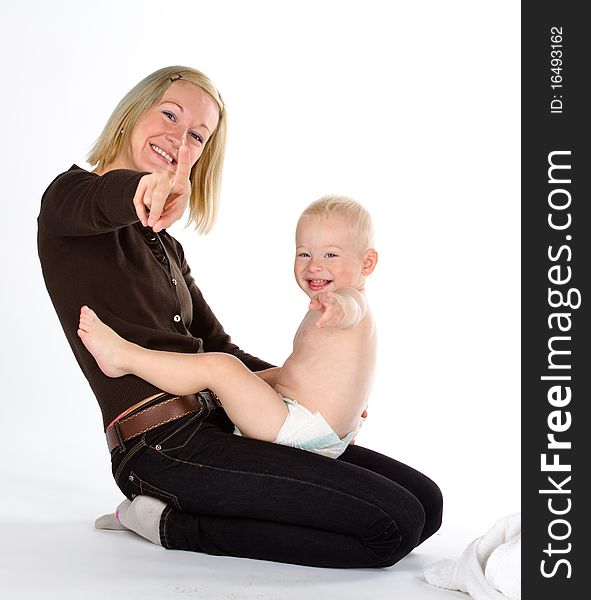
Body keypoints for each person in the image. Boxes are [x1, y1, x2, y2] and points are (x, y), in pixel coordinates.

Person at [37, 65, 442, 568]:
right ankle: (167, 523)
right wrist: (145, 188)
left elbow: (217, 350)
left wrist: (314, 399)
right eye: (169, 114)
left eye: (196, 136)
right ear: (132, 113)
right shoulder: (68, 202)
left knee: (426, 503)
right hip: (161, 447)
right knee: (391, 527)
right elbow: (105, 201)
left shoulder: (165, 246)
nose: (178, 138)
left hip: (221, 424)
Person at [78, 196, 377, 461]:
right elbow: (299, 374)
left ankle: (122, 357)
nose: (313, 265)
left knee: (221, 367)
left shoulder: (349, 302)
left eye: (330, 255)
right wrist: (245, 383)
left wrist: (339, 307)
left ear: (367, 263)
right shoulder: (329, 307)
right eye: (304, 253)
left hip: (299, 425)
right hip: (316, 428)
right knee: (238, 377)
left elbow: (352, 310)